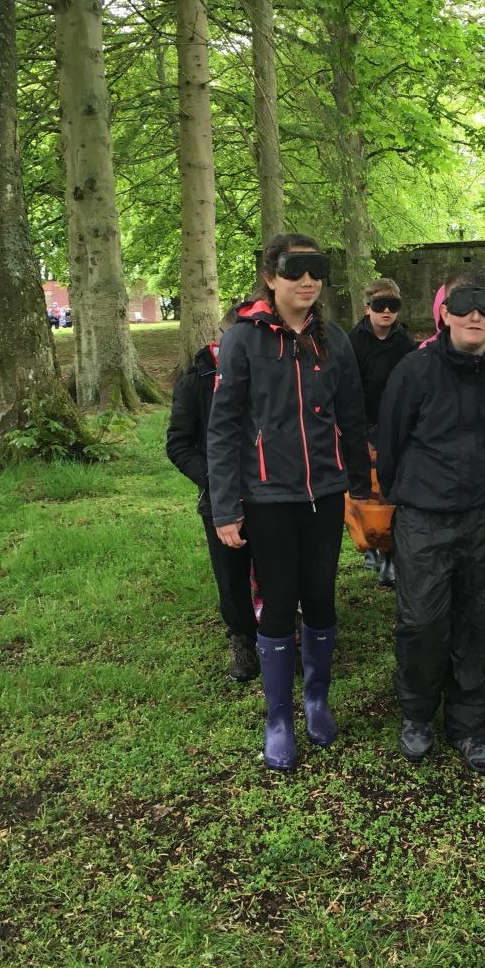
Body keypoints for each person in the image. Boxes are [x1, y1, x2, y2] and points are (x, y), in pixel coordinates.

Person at [207, 233, 370, 772]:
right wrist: (226, 508)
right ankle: (278, 718)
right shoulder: (243, 339)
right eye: (295, 270)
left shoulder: (335, 339)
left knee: (321, 596)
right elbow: (223, 428)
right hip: (268, 495)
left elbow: (352, 415)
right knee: (278, 602)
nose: (307, 281)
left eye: (316, 270)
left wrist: (360, 486)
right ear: (270, 277)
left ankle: (316, 700)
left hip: (325, 493)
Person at [378, 270, 485, 774]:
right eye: (464, 306)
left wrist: (483, 485)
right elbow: (391, 443)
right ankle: (418, 713)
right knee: (422, 621)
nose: (474, 316)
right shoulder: (413, 371)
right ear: (444, 313)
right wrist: (413, 494)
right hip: (424, 518)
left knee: (481, 618)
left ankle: (469, 722)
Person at [166, 304, 260, 682]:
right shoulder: (196, 382)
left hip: (271, 492)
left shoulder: (272, 375)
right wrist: (215, 480)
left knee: (277, 568)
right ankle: (242, 637)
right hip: (220, 498)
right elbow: (178, 444)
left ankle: (283, 634)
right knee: (231, 573)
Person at [348, 277, 417, 585]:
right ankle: (370, 546)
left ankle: (390, 556)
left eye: (393, 305)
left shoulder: (406, 344)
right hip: (361, 428)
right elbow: (347, 389)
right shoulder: (352, 342)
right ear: (367, 307)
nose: (387, 311)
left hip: (396, 429)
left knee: (391, 493)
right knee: (364, 492)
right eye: (380, 305)